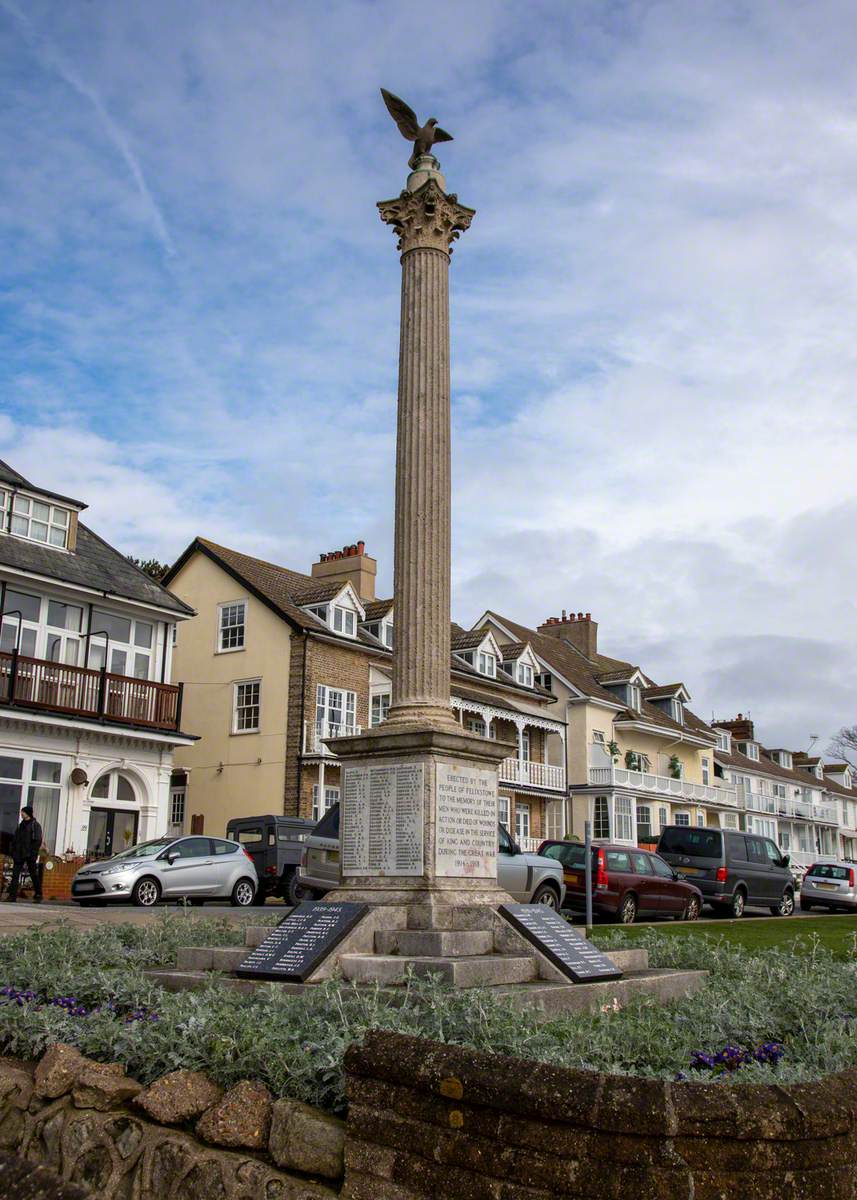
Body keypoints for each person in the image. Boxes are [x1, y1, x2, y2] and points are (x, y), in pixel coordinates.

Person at [7, 806, 43, 903]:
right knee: (15, 875)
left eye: (23, 812)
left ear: (28, 813)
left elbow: (37, 840)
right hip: (19, 854)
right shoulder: (21, 825)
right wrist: (13, 851)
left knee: (33, 875)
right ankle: (12, 896)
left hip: (29, 854)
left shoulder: (35, 825)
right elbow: (15, 839)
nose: (21, 814)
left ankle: (38, 894)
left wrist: (32, 853)